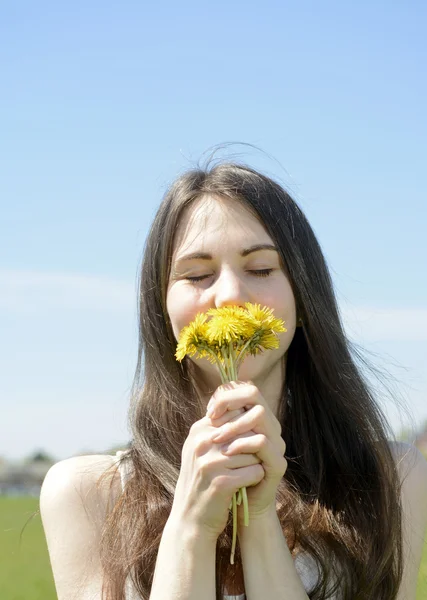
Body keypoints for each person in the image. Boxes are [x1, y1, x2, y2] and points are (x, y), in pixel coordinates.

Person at [40, 159, 427, 600]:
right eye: (197, 275)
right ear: (162, 309)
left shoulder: (392, 479)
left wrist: (259, 521)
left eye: (261, 269)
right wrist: (190, 525)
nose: (228, 296)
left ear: (305, 299)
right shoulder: (87, 496)